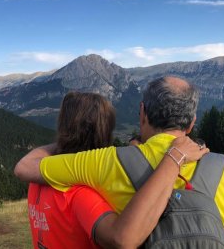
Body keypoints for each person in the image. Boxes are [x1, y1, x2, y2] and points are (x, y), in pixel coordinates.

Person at [15, 77, 224, 248]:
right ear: (191, 124)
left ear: (142, 113)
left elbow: (26, 167)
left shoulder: (105, 162)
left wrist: (65, 141)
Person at [22, 91, 209, 249]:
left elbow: (27, 162)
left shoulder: (36, 183)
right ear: (105, 130)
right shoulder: (81, 194)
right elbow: (122, 238)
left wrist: (67, 140)